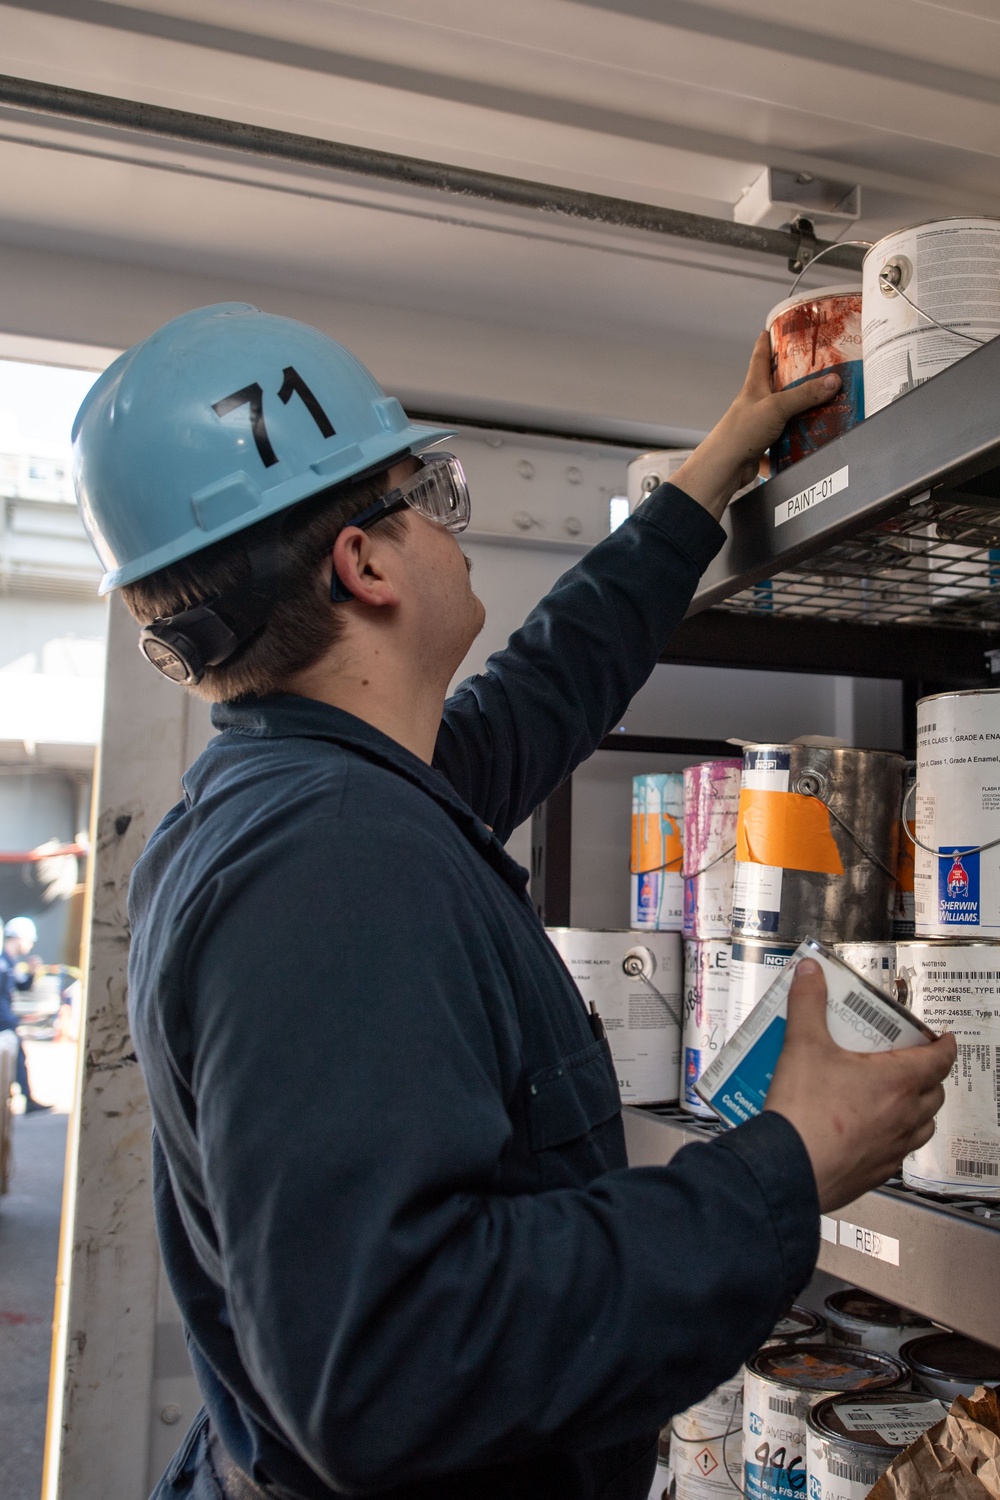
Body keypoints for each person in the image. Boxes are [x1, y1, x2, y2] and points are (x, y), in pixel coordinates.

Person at [72, 304, 956, 1500]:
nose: (451, 529)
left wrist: (709, 476)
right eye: (424, 496)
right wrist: (786, 1164)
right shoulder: (325, 865)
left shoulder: (323, 794)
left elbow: (547, 685)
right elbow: (391, 1359)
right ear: (364, 562)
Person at [0, 916, 50, 1113]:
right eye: (28, 940)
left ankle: (26, 1098)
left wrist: (32, 973)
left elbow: (21, 986)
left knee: (17, 1059)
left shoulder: (10, 963)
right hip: (4, 1022)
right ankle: (25, 1098)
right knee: (15, 1060)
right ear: (18, 938)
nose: (30, 945)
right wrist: (10, 1020)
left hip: (6, 1021)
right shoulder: (3, 962)